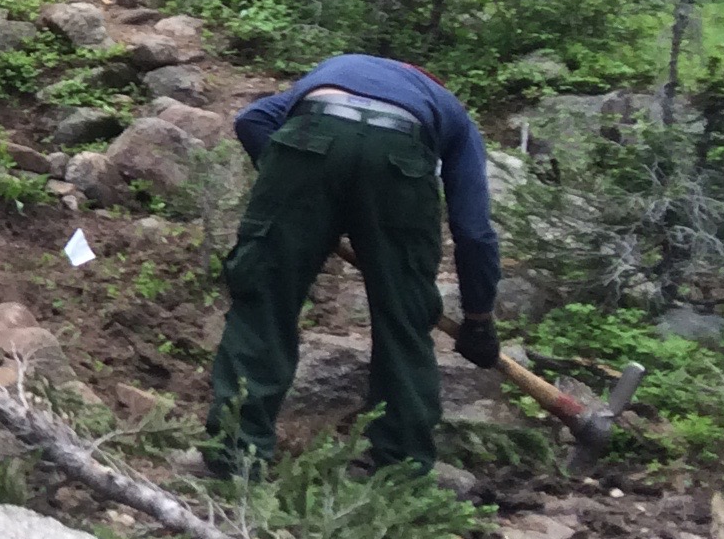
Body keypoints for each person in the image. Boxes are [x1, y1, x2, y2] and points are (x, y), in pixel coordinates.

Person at [206, 54, 504, 477]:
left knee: (264, 301)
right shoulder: (450, 111)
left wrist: (299, 197)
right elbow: (474, 231)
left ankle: (235, 457)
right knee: (404, 319)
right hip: (401, 157)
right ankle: (398, 469)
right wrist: (478, 318)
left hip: (311, 131)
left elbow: (250, 120)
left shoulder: (336, 68)